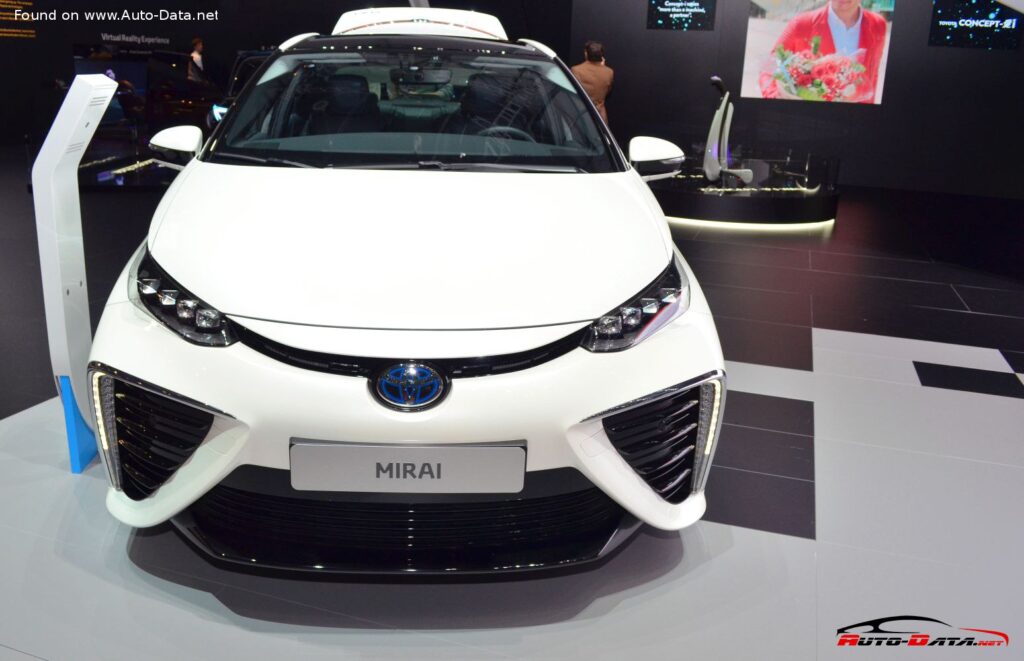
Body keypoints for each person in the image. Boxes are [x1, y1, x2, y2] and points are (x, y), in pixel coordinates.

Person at [759, 0, 887, 103]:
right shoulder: (802, 24)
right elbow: (769, 67)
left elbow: (872, 74)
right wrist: (776, 98)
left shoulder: (878, 25)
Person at [571, 41, 614, 124]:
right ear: (601, 56)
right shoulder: (609, 72)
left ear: (586, 54)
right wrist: (603, 67)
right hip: (600, 116)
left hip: (581, 115)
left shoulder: (576, 70)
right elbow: (608, 91)